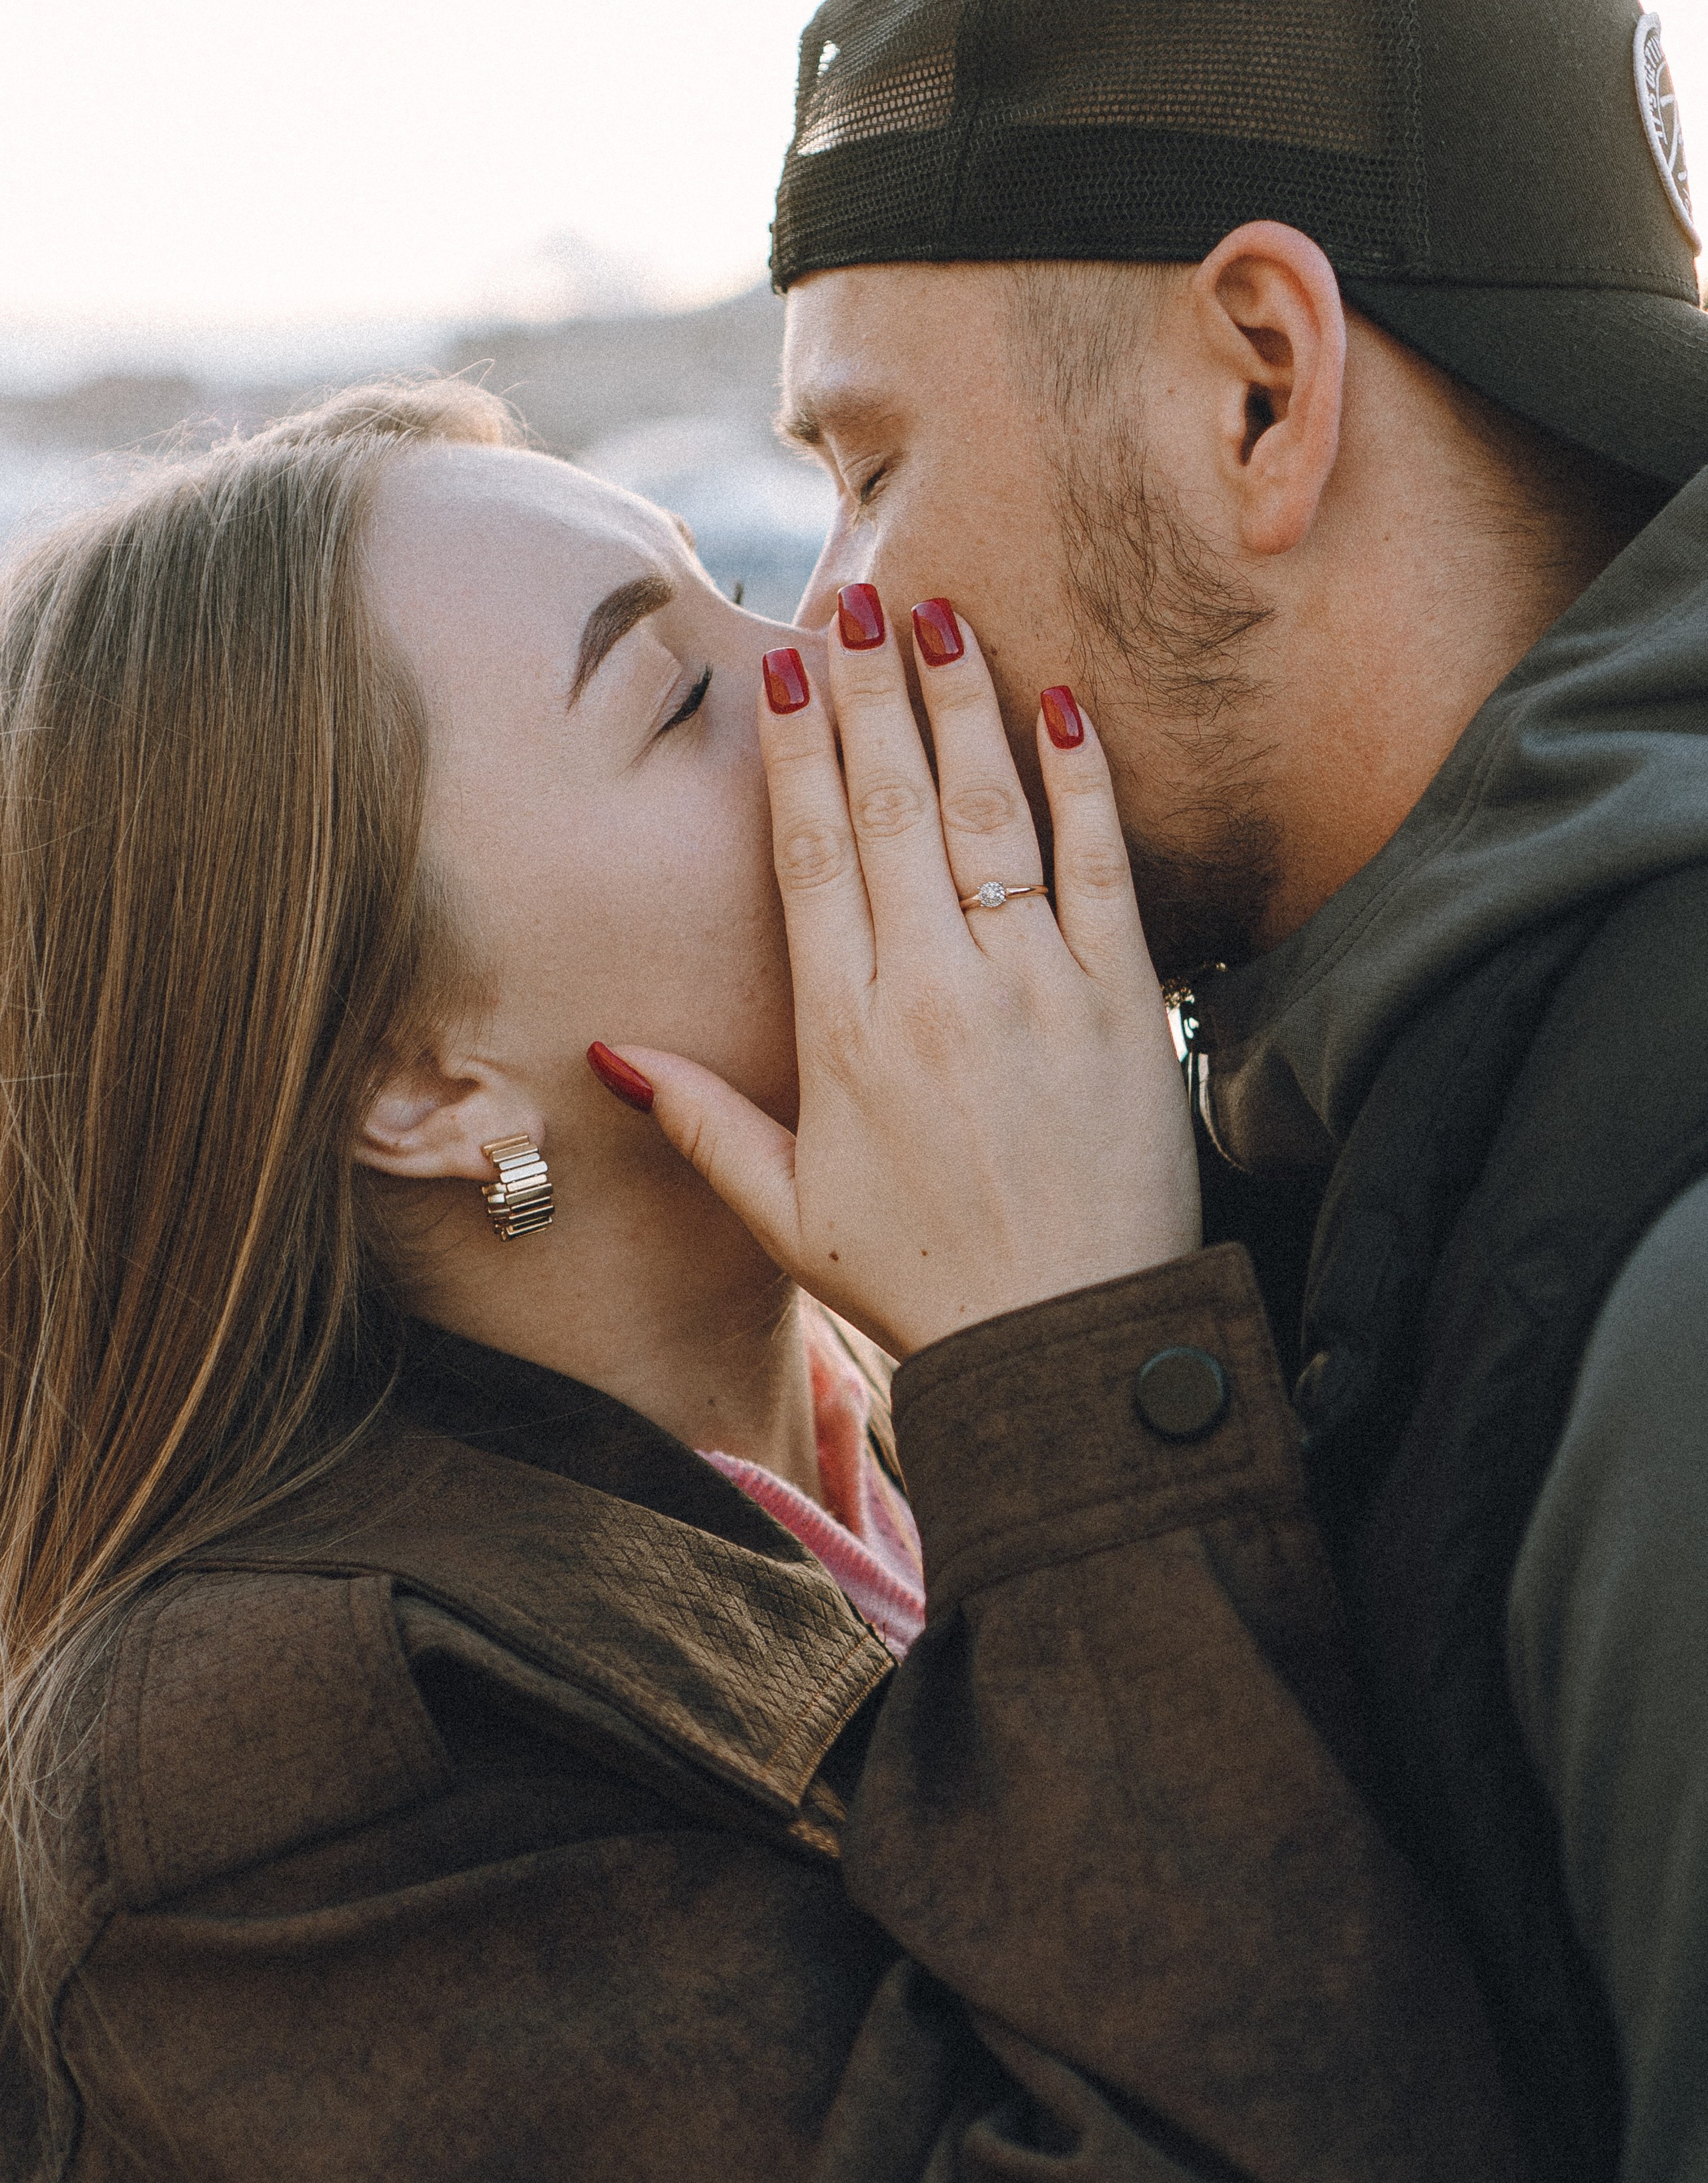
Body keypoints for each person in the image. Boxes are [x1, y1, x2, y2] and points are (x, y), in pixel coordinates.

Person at [0, 380, 1517, 2180]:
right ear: (412, 1083)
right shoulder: (261, 1780)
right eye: (681, 694)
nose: (810, 640)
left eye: (727, 580)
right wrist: (1068, 1357)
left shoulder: (886, 1401)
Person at [647, 0, 1708, 2183]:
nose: (821, 617)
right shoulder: (1386, 1085)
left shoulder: (1667, 1248)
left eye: (871, 462)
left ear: (1259, 384)